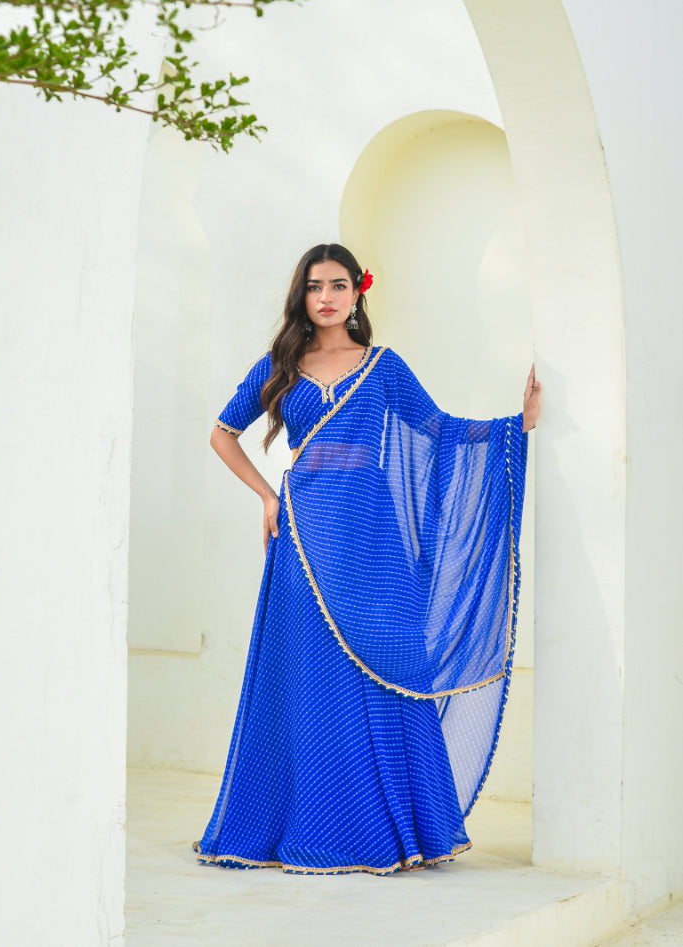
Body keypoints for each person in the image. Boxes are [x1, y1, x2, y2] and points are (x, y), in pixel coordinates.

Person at [193, 243, 541, 876]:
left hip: (371, 531)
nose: (325, 296)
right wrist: (267, 494)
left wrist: (514, 426)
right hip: (303, 531)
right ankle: (310, 823)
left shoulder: (383, 366)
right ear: (302, 295)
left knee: (388, 659)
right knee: (312, 673)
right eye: (314, 286)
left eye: (338, 285)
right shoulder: (281, 364)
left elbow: (437, 431)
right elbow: (222, 432)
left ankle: (402, 828)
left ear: (358, 293)